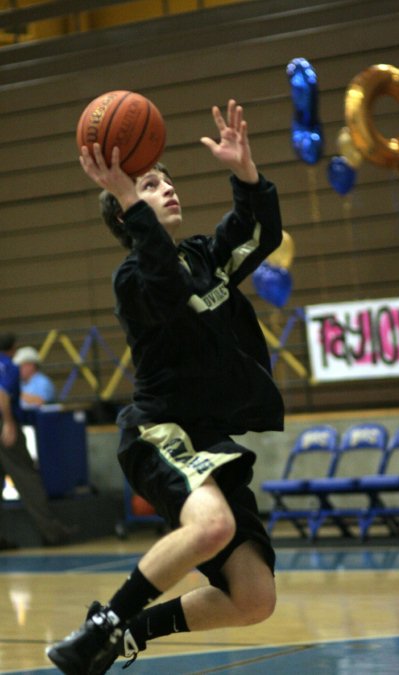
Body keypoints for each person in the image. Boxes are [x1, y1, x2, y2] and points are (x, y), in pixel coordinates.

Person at [47, 99, 284, 674]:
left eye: (167, 181)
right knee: (213, 526)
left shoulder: (204, 257)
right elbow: (163, 286)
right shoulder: (133, 276)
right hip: (159, 431)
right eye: (151, 184)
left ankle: (131, 631)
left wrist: (246, 173)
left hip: (209, 438)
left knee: (254, 598)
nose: (167, 188)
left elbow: (258, 235)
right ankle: (100, 626)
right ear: (130, 212)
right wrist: (131, 202)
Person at [0, 333, 75, 548]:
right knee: (27, 477)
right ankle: (52, 533)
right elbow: (2, 395)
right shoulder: (9, 367)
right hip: (3, 426)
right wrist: (8, 422)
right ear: (13, 349)